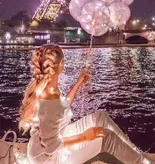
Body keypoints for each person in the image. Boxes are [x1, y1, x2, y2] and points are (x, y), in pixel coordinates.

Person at [19, 44, 154, 164]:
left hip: (51, 140)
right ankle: (140, 162)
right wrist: (85, 136)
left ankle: (135, 153)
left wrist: (78, 83)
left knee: (99, 117)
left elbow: (62, 106)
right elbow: (51, 146)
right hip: (49, 158)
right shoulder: (49, 97)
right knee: (106, 137)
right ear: (60, 64)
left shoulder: (49, 89)